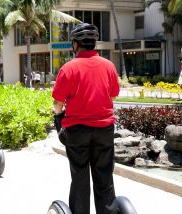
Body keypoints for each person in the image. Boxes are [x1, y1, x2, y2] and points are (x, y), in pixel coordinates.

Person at [52, 23, 120, 214]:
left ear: (75, 44)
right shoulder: (109, 66)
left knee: (80, 176)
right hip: (104, 129)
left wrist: (58, 116)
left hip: (77, 131)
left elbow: (58, 103)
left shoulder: (68, 68)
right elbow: (112, 95)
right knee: (104, 177)